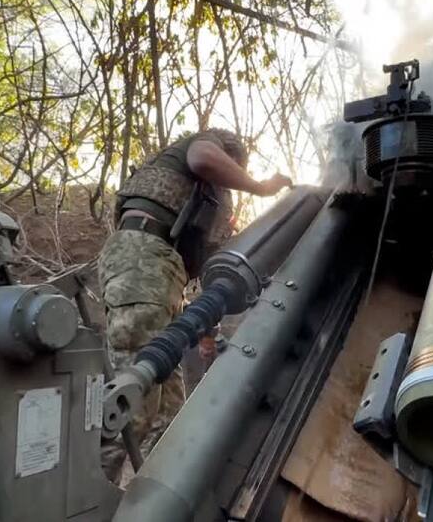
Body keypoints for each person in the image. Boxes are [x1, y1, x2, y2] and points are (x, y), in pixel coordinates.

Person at [98, 128, 292, 483]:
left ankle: (152, 503)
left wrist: (208, 331)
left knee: (168, 418)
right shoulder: (203, 147)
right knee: (133, 403)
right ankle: (83, 502)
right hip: (143, 259)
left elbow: (210, 268)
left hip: (162, 274)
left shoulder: (208, 200)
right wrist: (262, 187)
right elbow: (202, 157)